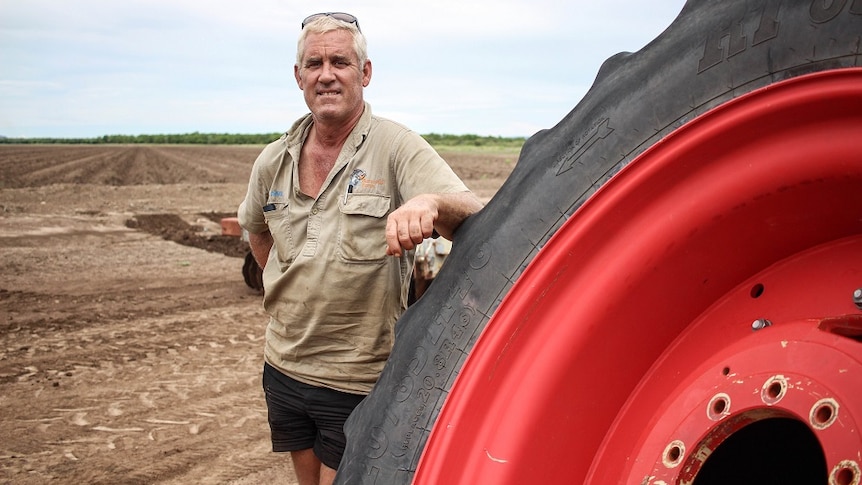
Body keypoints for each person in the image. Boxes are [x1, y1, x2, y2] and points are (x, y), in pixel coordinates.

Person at [237, 12, 484, 485]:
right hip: (284, 365)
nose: (326, 74)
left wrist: (430, 202)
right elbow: (257, 230)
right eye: (314, 63)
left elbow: (474, 213)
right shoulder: (274, 159)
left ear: (364, 73)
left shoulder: (395, 147)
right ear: (298, 77)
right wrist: (290, 283)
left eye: (340, 62)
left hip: (357, 378)